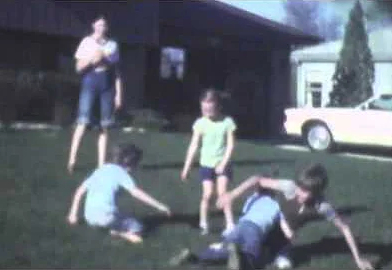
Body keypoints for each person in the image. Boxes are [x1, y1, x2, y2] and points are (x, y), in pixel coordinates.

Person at [216, 163, 374, 270]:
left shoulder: (322, 206)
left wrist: (358, 259)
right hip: (266, 225)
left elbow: (344, 228)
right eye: (300, 187)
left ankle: (270, 254)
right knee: (248, 247)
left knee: (260, 258)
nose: (300, 192)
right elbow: (257, 179)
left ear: (317, 192)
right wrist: (232, 194)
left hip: (284, 237)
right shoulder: (290, 187)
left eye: (306, 191)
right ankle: (220, 251)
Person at [66, 143, 171, 244]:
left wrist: (73, 215)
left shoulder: (101, 168)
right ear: (131, 165)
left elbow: (79, 191)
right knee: (139, 227)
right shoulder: (122, 173)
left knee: (116, 216)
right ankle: (120, 233)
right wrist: (159, 206)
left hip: (89, 217)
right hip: (107, 217)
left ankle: (112, 229)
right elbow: (136, 193)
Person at [169, 190, 293, 270]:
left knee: (225, 250)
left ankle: (193, 257)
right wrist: (290, 236)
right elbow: (286, 230)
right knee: (252, 257)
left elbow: (245, 212)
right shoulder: (277, 207)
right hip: (255, 231)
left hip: (240, 226)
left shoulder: (254, 199)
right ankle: (238, 259)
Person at [67, 15, 123, 173]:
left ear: (107, 28)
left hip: (106, 87)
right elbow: (78, 68)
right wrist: (93, 58)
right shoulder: (86, 42)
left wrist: (119, 94)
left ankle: (101, 165)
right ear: (93, 26)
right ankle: (72, 159)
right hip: (90, 83)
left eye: (104, 25)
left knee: (104, 126)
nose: (101, 28)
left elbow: (116, 72)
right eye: (98, 25)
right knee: (82, 122)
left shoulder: (112, 45)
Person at [181, 89, 236, 236]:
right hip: (206, 165)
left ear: (218, 106)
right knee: (207, 194)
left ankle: (230, 225)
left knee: (223, 193)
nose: (206, 112)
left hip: (223, 164)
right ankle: (204, 224)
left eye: (210, 109)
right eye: (204, 109)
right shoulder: (200, 123)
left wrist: (223, 163)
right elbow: (194, 146)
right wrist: (186, 167)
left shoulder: (227, 122)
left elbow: (230, 145)